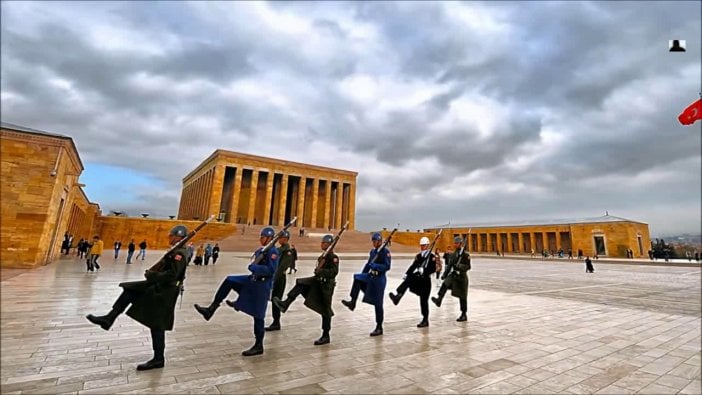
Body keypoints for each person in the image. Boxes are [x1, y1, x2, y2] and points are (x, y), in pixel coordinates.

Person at [85, 225, 189, 371]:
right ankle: (109, 318)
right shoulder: (176, 251)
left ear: (178, 237)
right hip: (159, 288)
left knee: (158, 325)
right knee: (130, 289)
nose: (169, 237)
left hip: (166, 291)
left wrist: (153, 275)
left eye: (171, 236)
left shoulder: (180, 254)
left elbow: (173, 275)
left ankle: (158, 359)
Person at [193, 227, 279, 356]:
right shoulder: (261, 250)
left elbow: (271, 270)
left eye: (262, 237)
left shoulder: (273, 251)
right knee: (230, 280)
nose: (260, 239)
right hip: (252, 280)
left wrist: (255, 267)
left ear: (269, 238)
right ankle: (211, 309)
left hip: (262, 285)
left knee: (259, 316)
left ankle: (258, 345)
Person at [274, 234, 340, 345]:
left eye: (324, 243)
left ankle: (326, 335)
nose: (322, 244)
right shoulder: (322, 256)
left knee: (326, 310)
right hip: (317, 281)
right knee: (301, 283)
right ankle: (285, 303)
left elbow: (334, 273)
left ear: (330, 245)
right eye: (322, 242)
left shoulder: (333, 258)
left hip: (326, 286)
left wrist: (321, 272)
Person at [340, 232, 391, 337]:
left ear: (380, 241)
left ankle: (379, 327)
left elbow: (387, 266)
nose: (374, 243)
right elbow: (368, 265)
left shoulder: (385, 252)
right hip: (370, 276)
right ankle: (352, 302)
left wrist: (376, 266)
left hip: (379, 279)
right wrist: (363, 274)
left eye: (376, 241)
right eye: (373, 241)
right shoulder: (372, 252)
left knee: (378, 304)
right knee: (357, 278)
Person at [388, 237, 438, 328]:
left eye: (424, 245)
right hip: (418, 280)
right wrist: (407, 274)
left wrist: (425, 271)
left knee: (423, 301)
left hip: (426, 281)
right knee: (409, 277)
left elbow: (433, 269)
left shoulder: (432, 257)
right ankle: (398, 296)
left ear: (427, 245)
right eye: (421, 245)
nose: (422, 247)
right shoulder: (418, 256)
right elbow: (413, 266)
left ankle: (425, 320)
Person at [432, 236, 471, 322]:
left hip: (462, 277)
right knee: (446, 282)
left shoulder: (466, 255)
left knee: (463, 296)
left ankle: (464, 314)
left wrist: (459, 266)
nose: (455, 244)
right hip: (454, 276)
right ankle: (439, 299)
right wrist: (444, 275)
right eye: (455, 243)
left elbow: (468, 266)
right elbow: (449, 266)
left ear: (460, 244)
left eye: (456, 243)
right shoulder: (453, 255)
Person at [266, 231, 294, 331]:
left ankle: (276, 322)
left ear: (286, 239)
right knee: (274, 299)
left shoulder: (288, 251)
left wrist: (273, 279)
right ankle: (275, 322)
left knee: (276, 300)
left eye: (281, 238)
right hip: (275, 277)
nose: (279, 239)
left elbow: (282, 267)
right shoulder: (278, 249)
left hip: (279, 279)